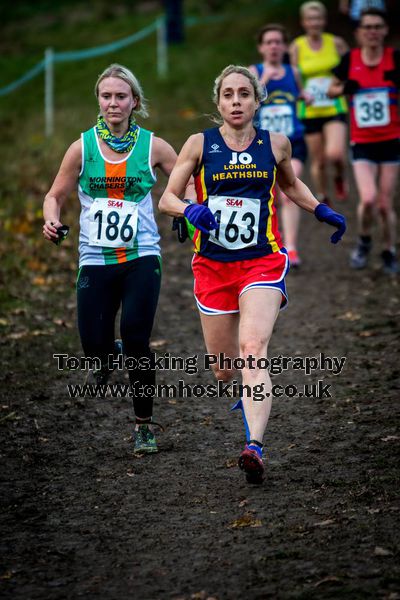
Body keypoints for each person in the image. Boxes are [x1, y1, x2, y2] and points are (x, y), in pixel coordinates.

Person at [159, 65, 346, 484]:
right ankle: (243, 393)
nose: (236, 101)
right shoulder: (198, 144)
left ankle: (255, 446)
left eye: (244, 93)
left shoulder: (276, 143)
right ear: (219, 102)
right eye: (228, 95)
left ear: (257, 100)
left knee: (252, 347)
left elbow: (291, 185)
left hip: (262, 259)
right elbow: (167, 198)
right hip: (213, 265)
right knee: (224, 369)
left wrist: (321, 210)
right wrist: (189, 208)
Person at [43, 64, 181, 454]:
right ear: (98, 101)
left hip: (142, 256)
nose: (113, 103)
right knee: (94, 347)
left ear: (134, 101)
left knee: (137, 338)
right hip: (95, 259)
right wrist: (51, 220)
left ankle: (144, 426)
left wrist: (187, 209)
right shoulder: (81, 148)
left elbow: (185, 176)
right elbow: (54, 195)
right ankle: (106, 355)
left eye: (121, 96)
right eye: (106, 96)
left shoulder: (154, 146)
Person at [328, 8, 400, 273]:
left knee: (384, 203)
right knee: (368, 199)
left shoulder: (394, 58)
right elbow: (330, 88)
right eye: (367, 27)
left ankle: (389, 250)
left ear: (385, 31)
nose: (372, 31)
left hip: (391, 140)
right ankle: (364, 240)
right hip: (362, 142)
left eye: (377, 26)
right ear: (359, 33)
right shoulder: (351, 59)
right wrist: (344, 88)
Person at [249, 23, 309, 267]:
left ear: (284, 47)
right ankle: (264, 243)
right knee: (266, 195)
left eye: (278, 42)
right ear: (261, 47)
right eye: (269, 42)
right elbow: (248, 100)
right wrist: (263, 80)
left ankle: (291, 247)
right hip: (263, 145)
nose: (274, 46)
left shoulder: (293, 71)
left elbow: (302, 96)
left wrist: (307, 98)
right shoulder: (254, 71)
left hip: (293, 142)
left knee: (288, 193)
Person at [290, 1, 349, 205]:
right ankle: (323, 196)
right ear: (303, 22)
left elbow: (352, 67)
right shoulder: (297, 47)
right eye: (310, 19)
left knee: (335, 154)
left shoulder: (336, 43)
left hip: (335, 105)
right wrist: (299, 92)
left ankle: (340, 175)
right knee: (319, 160)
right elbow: (294, 74)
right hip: (310, 110)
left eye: (318, 18)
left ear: (324, 20)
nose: (314, 23)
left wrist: (343, 86)